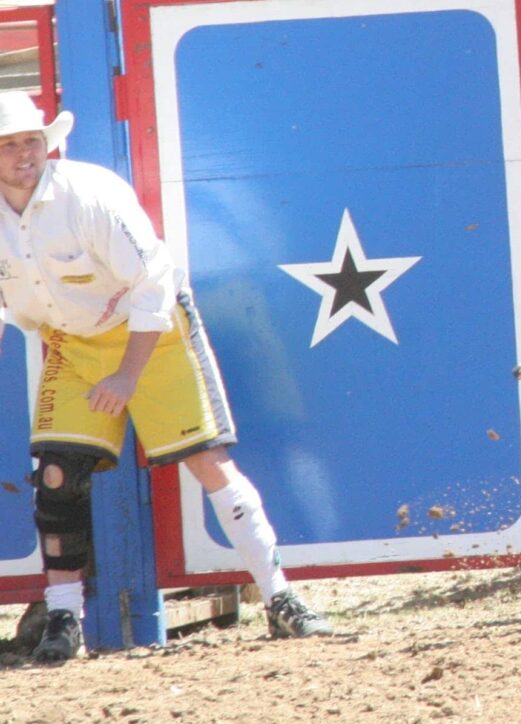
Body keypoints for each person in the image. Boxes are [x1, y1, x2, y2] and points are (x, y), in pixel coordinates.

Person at [0, 92, 331, 663]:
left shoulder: (90, 195)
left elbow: (153, 283)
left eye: (30, 140)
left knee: (208, 461)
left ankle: (281, 597)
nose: (23, 154)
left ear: (48, 143)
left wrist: (129, 374)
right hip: (72, 340)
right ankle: (63, 617)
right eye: (8, 145)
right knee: (55, 475)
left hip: (150, 333)